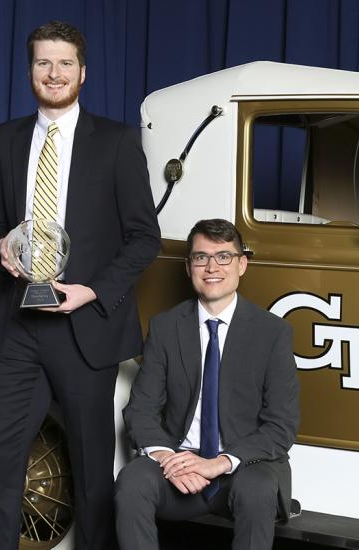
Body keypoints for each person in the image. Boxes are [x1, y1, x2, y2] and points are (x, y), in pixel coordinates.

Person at [0, 20, 161, 550]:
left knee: (91, 468)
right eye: (42, 63)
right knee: (0, 463)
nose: (52, 73)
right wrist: (2, 250)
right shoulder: (5, 138)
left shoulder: (119, 142)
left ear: (83, 72)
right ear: (29, 71)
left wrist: (94, 291)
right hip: (19, 326)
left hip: (86, 327)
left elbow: (144, 238)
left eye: (63, 63)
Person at [116, 218, 300, 550]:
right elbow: (141, 410)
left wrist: (218, 463)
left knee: (257, 490)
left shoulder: (272, 333)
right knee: (132, 481)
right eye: (201, 257)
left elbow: (281, 426)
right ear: (188, 268)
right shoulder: (165, 327)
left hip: (242, 469)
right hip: (180, 465)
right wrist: (169, 459)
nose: (212, 266)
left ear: (241, 264)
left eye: (223, 257)